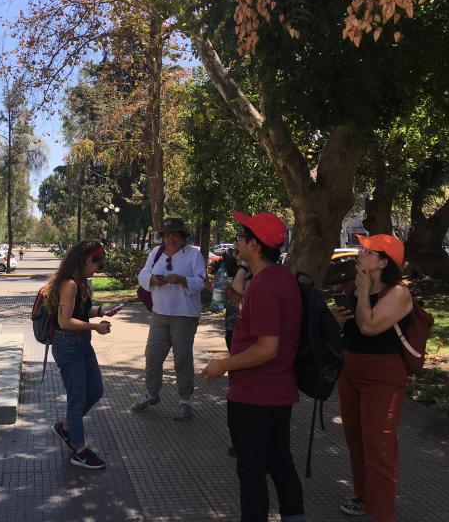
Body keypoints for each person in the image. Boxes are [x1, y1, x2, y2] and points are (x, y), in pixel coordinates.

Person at [201, 212, 304, 522]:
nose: (237, 242)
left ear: (255, 245)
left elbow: (267, 348)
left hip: (255, 396)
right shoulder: (281, 277)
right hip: (279, 393)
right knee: (280, 463)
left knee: (252, 472)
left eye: (241, 237)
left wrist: (223, 364)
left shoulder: (264, 288)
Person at [331, 234, 414, 522]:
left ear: (383, 262)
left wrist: (364, 292)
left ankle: (382, 512)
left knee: (379, 444)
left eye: (367, 251)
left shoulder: (399, 293)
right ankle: (362, 496)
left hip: (383, 375)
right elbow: (350, 330)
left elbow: (369, 327)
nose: (359, 254)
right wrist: (337, 320)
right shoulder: (353, 287)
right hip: (351, 368)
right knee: (355, 439)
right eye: (360, 249)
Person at [45, 240, 122, 470]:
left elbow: (79, 311)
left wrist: (101, 311)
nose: (98, 269)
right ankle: (78, 450)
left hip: (81, 344)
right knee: (77, 399)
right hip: (68, 345)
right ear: (88, 260)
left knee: (95, 390)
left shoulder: (80, 282)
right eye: (98, 264)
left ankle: (67, 426)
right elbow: (64, 321)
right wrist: (95, 327)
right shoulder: (69, 283)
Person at [134, 218, 207, 421]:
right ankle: (151, 394)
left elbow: (201, 282)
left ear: (183, 237)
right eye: (167, 235)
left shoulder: (193, 254)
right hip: (160, 313)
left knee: (182, 358)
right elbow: (142, 275)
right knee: (152, 355)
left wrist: (181, 280)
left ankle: (185, 401)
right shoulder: (155, 253)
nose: (171, 239)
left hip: (184, 315)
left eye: (175, 235)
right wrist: (152, 280)